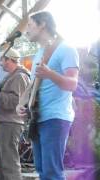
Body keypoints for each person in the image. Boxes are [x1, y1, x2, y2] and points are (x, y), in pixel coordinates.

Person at [16, 11, 79, 180]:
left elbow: (73, 84)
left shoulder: (66, 48)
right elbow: (33, 86)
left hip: (55, 117)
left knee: (52, 172)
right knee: (42, 170)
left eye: (30, 25)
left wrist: (50, 74)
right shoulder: (40, 53)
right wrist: (22, 104)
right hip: (38, 117)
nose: (26, 30)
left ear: (42, 24)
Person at [0, 48, 30, 180]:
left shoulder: (19, 77)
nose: (1, 63)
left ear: (10, 60)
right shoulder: (13, 77)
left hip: (10, 124)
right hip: (3, 124)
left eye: (3, 60)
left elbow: (16, 102)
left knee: (9, 166)